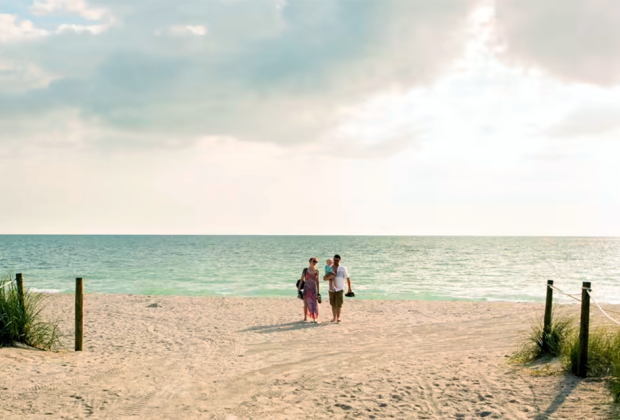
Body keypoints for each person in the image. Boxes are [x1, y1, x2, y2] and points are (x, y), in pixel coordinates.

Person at [323, 254, 353, 323]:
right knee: (333, 304)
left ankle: (338, 317)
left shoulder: (343, 268)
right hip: (331, 288)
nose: (335, 261)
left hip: (340, 288)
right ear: (333, 260)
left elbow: (347, 278)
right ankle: (334, 317)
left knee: (338, 303)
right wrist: (328, 277)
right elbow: (324, 278)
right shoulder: (329, 268)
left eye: (337, 260)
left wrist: (349, 288)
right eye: (334, 260)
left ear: (339, 260)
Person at [298, 257, 320, 323]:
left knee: (314, 303)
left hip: (313, 289)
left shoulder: (317, 271)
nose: (315, 263)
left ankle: (314, 318)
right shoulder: (305, 270)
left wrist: (318, 291)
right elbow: (301, 279)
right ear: (310, 261)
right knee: (305, 303)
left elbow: (317, 281)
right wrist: (299, 289)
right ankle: (305, 318)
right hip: (306, 288)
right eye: (314, 261)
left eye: (316, 262)